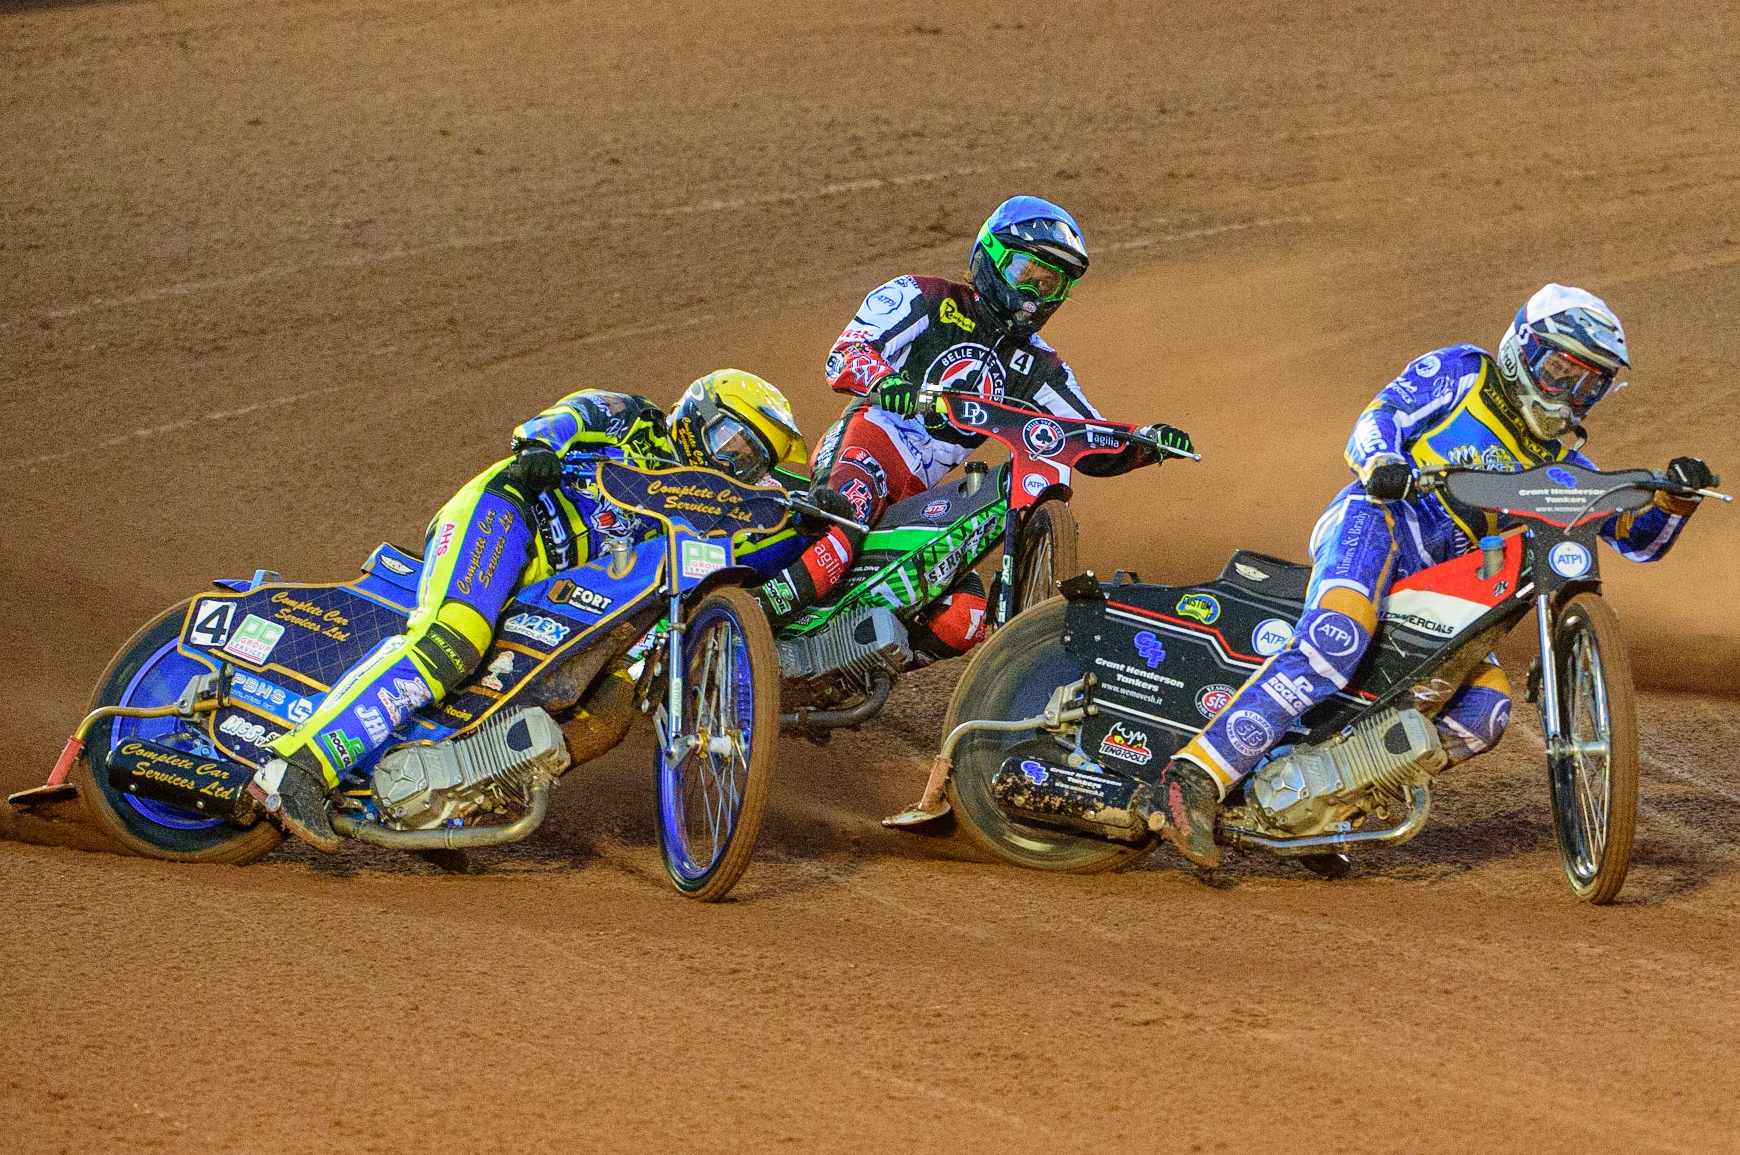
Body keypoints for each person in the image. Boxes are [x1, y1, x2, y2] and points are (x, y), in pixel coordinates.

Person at [1142, 283, 1719, 868]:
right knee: (1335, 639)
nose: (1570, 395)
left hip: (1451, 589)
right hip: (1379, 521)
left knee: (1485, 713)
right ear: (1522, 351)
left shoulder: (1566, 472)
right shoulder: (1466, 374)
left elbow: (1637, 540)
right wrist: (1384, 461)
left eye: (1589, 384)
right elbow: (1380, 415)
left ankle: (1319, 804)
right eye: (1561, 371)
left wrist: (1675, 500)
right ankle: (1191, 778)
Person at [248, 369, 812, 851]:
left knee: (609, 711)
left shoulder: (702, 516)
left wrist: (809, 519)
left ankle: (452, 792)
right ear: (698, 412)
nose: (732, 461)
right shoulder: (637, 419)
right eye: (732, 438)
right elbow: (574, 412)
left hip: (560, 601)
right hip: (507, 515)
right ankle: (296, 767)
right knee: (453, 640)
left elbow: (760, 551)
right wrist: (540, 445)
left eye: (749, 459)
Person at [754, 194, 1192, 657]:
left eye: (1052, 285)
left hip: (922, 495)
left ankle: (849, 669)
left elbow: (1087, 434)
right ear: (990, 258)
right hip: (867, 445)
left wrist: (1145, 444)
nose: (1035, 297)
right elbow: (844, 355)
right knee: (850, 512)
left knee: (964, 619)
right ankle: (753, 621)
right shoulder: (923, 297)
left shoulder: (1039, 367)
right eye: (1028, 275)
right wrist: (887, 381)